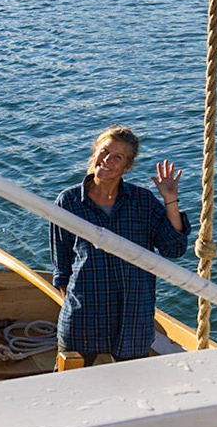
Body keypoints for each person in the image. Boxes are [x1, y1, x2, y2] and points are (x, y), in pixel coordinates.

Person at [51, 125, 189, 364]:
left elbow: (174, 249)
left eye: (117, 157)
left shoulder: (142, 202)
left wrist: (170, 200)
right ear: (94, 153)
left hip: (132, 318)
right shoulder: (69, 202)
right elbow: (61, 267)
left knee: (132, 392)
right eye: (104, 151)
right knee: (70, 389)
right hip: (84, 318)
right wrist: (73, 305)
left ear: (126, 167)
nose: (107, 160)